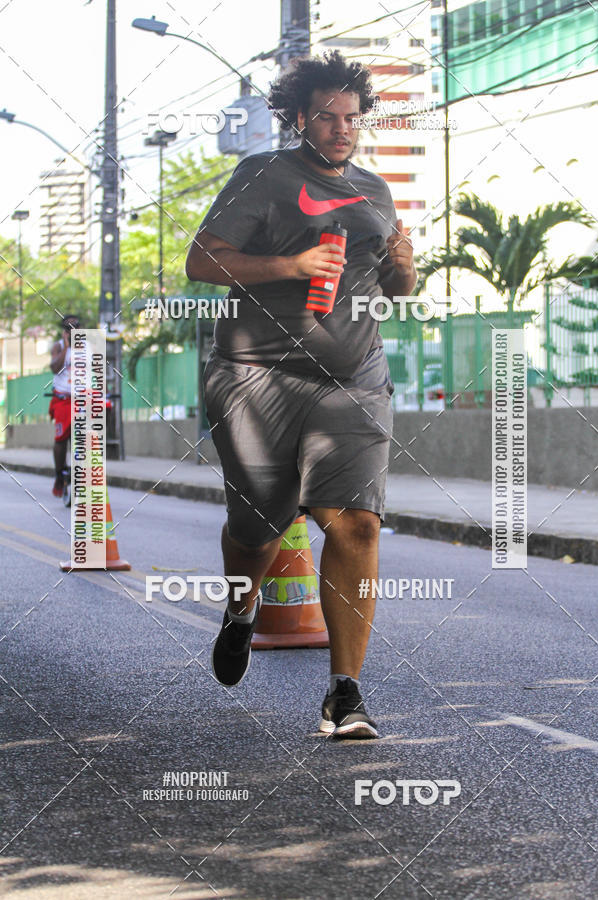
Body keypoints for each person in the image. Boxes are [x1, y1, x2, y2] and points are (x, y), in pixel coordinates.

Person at [185, 51, 416, 739]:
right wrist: (291, 264)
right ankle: (241, 608)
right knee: (257, 531)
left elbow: (393, 290)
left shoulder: (375, 191)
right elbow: (202, 259)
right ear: (297, 119)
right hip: (257, 379)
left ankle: (345, 694)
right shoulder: (262, 175)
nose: (343, 129)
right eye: (327, 117)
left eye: (352, 118)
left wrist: (405, 270)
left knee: (355, 522)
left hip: (354, 381)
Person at [49, 314, 81, 496]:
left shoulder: (88, 348)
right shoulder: (59, 347)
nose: (73, 331)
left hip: (83, 398)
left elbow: (97, 370)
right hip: (62, 399)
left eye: (76, 327)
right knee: (60, 439)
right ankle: (59, 475)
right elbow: (55, 368)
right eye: (69, 329)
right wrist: (66, 346)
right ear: (64, 332)